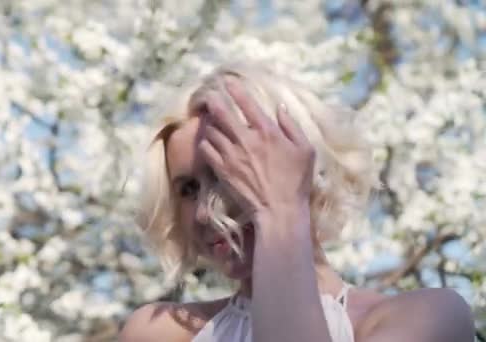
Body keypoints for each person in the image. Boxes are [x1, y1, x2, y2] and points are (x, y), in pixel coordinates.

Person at [119, 62, 475, 341]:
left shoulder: (429, 318)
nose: (202, 212)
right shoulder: (158, 332)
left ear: (303, 165)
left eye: (226, 175)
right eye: (187, 189)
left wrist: (281, 212)